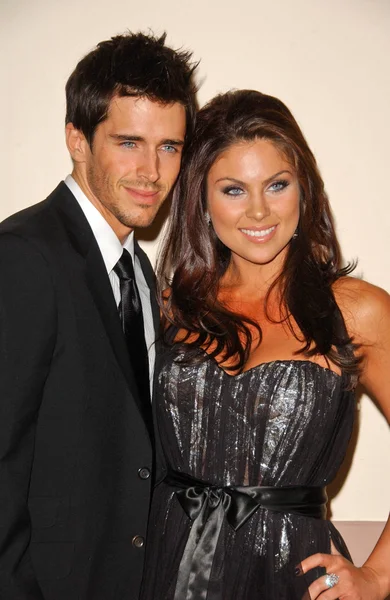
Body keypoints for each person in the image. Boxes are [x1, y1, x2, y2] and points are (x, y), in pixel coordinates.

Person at [140, 90, 390, 599]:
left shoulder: (358, 311)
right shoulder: (171, 306)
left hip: (292, 574)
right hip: (170, 560)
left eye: (277, 184)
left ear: (305, 190)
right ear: (202, 201)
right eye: (233, 190)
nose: (258, 211)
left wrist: (379, 576)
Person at [0, 31, 197, 600]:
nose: (152, 171)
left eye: (169, 147)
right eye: (129, 142)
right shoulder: (23, 256)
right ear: (77, 140)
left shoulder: (139, 271)